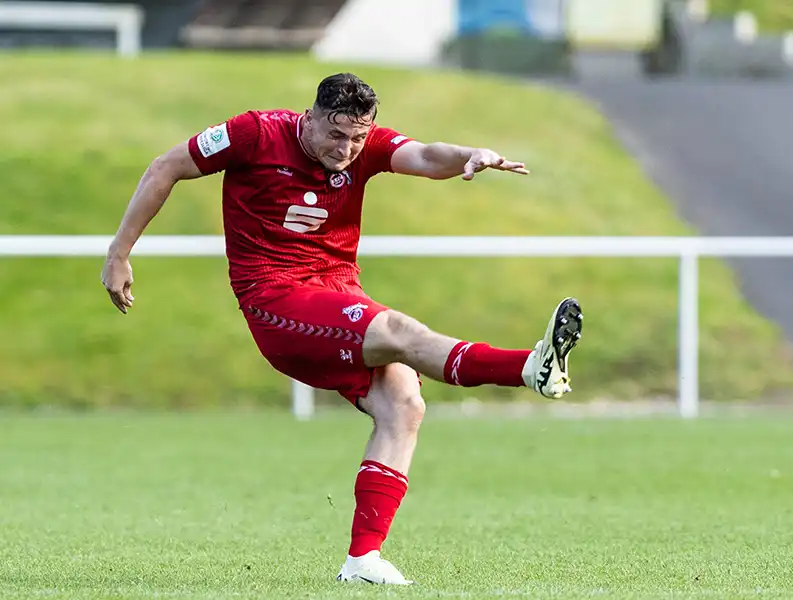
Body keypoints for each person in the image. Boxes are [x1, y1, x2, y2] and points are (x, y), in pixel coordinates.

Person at [99, 72, 583, 585]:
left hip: (337, 293)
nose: (347, 149)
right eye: (335, 135)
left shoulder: (363, 143)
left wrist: (470, 153)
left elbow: (422, 155)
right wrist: (118, 253)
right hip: (276, 300)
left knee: (404, 403)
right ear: (308, 118)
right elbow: (165, 166)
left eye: (357, 138)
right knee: (397, 330)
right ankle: (529, 369)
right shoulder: (253, 134)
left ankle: (363, 561)